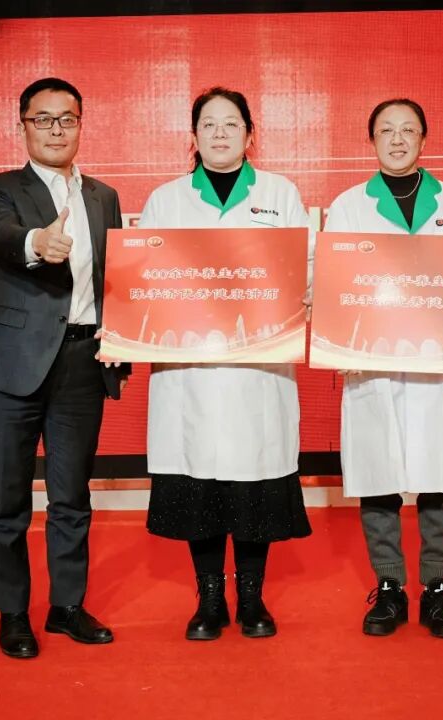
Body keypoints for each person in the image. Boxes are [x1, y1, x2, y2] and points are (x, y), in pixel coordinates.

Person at [138, 87, 312, 640]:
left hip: (258, 370)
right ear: (193, 136)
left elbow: (306, 265)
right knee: (199, 484)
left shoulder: (280, 194)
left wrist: (305, 291)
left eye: (231, 123)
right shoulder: (165, 200)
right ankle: (209, 599)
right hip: (189, 371)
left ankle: (253, 600)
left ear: (250, 134)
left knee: (254, 483)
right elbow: (143, 277)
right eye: (208, 124)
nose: (219, 133)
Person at [0, 77, 129, 659]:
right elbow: (1, 236)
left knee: (71, 495)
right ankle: (13, 613)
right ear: (24, 126)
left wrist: (122, 333)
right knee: (6, 499)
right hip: (13, 363)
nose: (56, 129)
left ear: (81, 124)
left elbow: (116, 277)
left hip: (84, 362)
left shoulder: (104, 197)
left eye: (67, 119)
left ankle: (67, 606)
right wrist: (39, 242)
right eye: (44, 119)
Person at [324, 98, 443, 639]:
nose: (397, 139)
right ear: (371, 140)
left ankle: (436, 588)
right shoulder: (348, 206)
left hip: (440, 364)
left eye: (407, 130)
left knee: (441, 473)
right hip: (375, 361)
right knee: (379, 472)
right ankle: (389, 586)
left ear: (424, 140)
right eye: (386, 130)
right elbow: (336, 279)